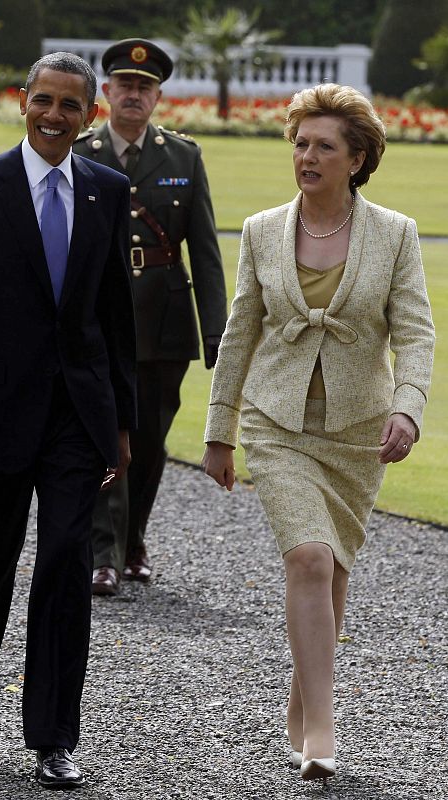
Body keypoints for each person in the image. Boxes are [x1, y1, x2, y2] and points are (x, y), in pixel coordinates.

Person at [202, 84, 434, 783]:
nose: (306, 155)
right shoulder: (260, 229)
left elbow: (416, 333)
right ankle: (324, 731)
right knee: (306, 557)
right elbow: (239, 334)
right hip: (276, 425)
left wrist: (408, 406)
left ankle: (302, 710)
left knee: (331, 571)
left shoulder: (393, 233)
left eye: (322, 146)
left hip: (358, 432)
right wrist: (220, 430)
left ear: (356, 158)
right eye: (299, 143)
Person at [0, 52, 136, 790]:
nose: (53, 115)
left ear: (89, 115)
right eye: (42, 100)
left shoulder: (109, 190)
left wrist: (123, 424)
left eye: (69, 105)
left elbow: (115, 321)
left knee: (65, 568)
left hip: (77, 419)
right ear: (23, 103)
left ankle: (52, 737)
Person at [74, 38, 227, 595]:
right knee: (101, 436)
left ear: (158, 96)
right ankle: (103, 552)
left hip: (163, 323)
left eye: (144, 87)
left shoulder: (183, 157)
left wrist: (216, 332)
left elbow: (205, 252)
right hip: (94, 320)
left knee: (151, 440)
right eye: (124, 85)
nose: (133, 94)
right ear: (107, 91)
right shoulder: (80, 150)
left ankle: (133, 537)